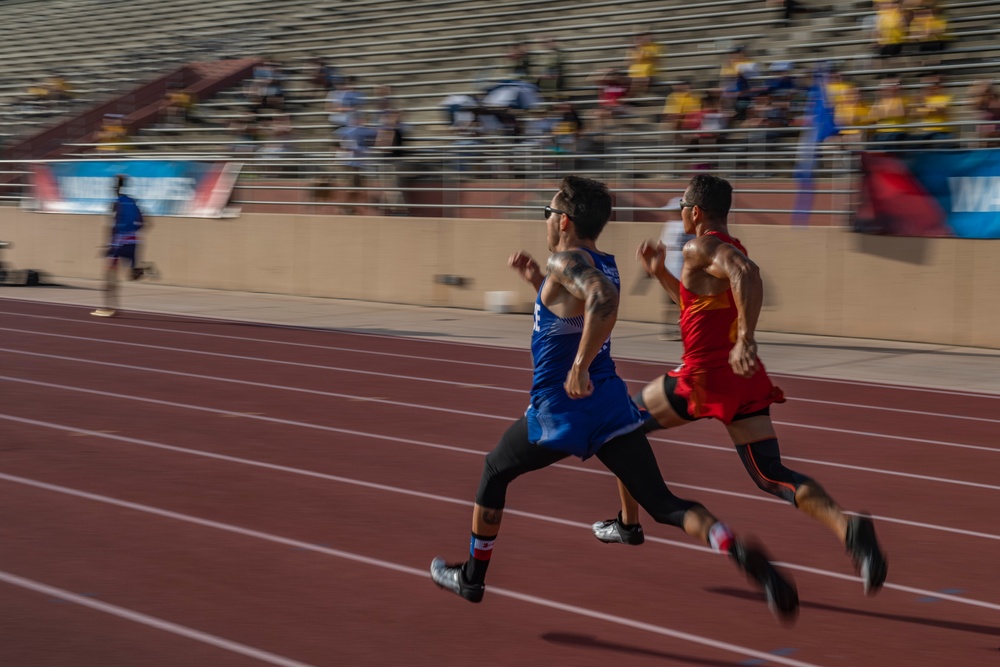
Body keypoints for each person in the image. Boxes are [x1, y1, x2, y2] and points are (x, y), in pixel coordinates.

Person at [430, 176, 799, 621]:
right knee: (663, 504)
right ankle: (736, 550)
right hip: (608, 408)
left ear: (563, 221)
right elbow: (570, 316)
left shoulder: (565, 261)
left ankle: (472, 577)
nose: (546, 221)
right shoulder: (602, 262)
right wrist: (537, 284)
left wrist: (580, 366)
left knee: (494, 470)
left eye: (547, 213)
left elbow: (601, 302)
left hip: (561, 408)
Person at [591, 174, 888, 597]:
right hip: (740, 380)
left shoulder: (701, 245)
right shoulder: (723, 247)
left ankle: (628, 524)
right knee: (770, 474)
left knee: (620, 429)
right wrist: (659, 274)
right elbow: (699, 306)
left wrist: (746, 336)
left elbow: (747, 273)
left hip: (702, 376)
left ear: (694, 212)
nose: (680, 216)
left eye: (681, 209)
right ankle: (849, 527)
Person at [91, 175, 154, 317]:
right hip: (133, 242)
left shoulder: (115, 203)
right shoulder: (133, 202)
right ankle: (143, 269)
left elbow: (111, 226)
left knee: (109, 276)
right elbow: (147, 223)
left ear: (115, 188)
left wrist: (108, 245)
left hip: (118, 243)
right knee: (132, 276)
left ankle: (109, 307)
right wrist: (132, 233)